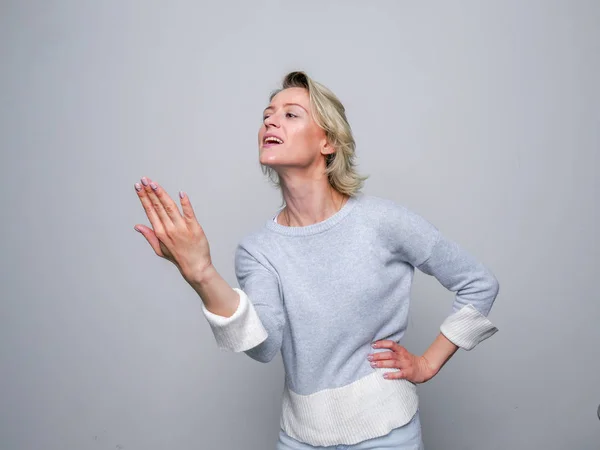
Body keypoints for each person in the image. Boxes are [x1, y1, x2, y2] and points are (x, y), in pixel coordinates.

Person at [133, 71, 500, 450]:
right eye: (267, 115)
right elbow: (263, 347)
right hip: (299, 439)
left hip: (387, 434)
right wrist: (200, 273)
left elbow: (479, 282)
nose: (271, 121)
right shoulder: (258, 250)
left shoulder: (383, 222)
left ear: (327, 141)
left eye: (291, 114)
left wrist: (427, 363)